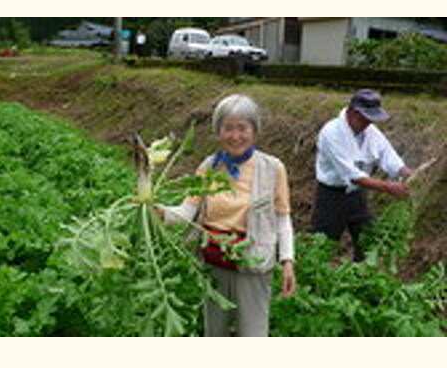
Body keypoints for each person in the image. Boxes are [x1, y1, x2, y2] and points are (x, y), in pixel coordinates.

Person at [161, 94, 296, 337]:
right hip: (214, 261)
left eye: (242, 128)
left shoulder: (272, 168)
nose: (235, 136)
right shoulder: (209, 167)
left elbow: (282, 219)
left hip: (253, 261)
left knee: (253, 332)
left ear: (255, 131)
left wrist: (287, 261)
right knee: (215, 331)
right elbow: (187, 212)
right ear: (218, 131)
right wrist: (159, 212)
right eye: (228, 128)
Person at [312, 89, 413, 261]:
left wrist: (405, 172)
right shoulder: (331, 132)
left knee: (367, 242)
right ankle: (313, 283)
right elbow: (352, 174)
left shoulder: (371, 132)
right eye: (364, 118)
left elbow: (387, 155)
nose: (367, 123)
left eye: (371, 119)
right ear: (352, 112)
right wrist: (388, 187)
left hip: (357, 195)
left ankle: (360, 278)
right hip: (331, 195)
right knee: (322, 244)